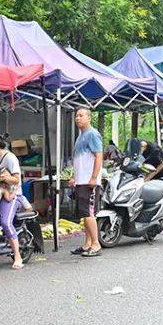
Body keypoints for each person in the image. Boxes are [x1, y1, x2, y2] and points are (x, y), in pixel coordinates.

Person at [0, 131, 29, 270]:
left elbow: (16, 179)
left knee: (5, 222)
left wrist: (4, 179)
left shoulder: (10, 158)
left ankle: (17, 256)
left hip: (12, 194)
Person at [69, 108, 104, 257]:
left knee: (89, 213)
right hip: (81, 181)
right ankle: (87, 244)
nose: (78, 118)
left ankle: (96, 244)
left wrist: (94, 178)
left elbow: (98, 156)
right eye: (76, 116)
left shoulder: (93, 134)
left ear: (89, 118)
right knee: (84, 213)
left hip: (89, 181)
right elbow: (78, 160)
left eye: (81, 116)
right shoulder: (80, 137)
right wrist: (73, 176)